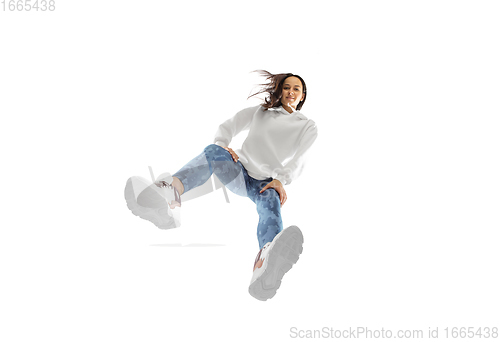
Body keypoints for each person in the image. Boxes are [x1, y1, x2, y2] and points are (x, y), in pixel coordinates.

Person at [124, 70, 318, 301]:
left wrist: (281, 180)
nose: (291, 92)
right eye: (287, 87)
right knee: (213, 152)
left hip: (265, 183)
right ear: (280, 90)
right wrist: (222, 144)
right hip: (240, 171)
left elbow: (302, 158)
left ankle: (266, 259)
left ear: (302, 95)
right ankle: (169, 191)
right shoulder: (262, 112)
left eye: (296, 89)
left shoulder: (307, 126)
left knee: (271, 204)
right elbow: (230, 125)